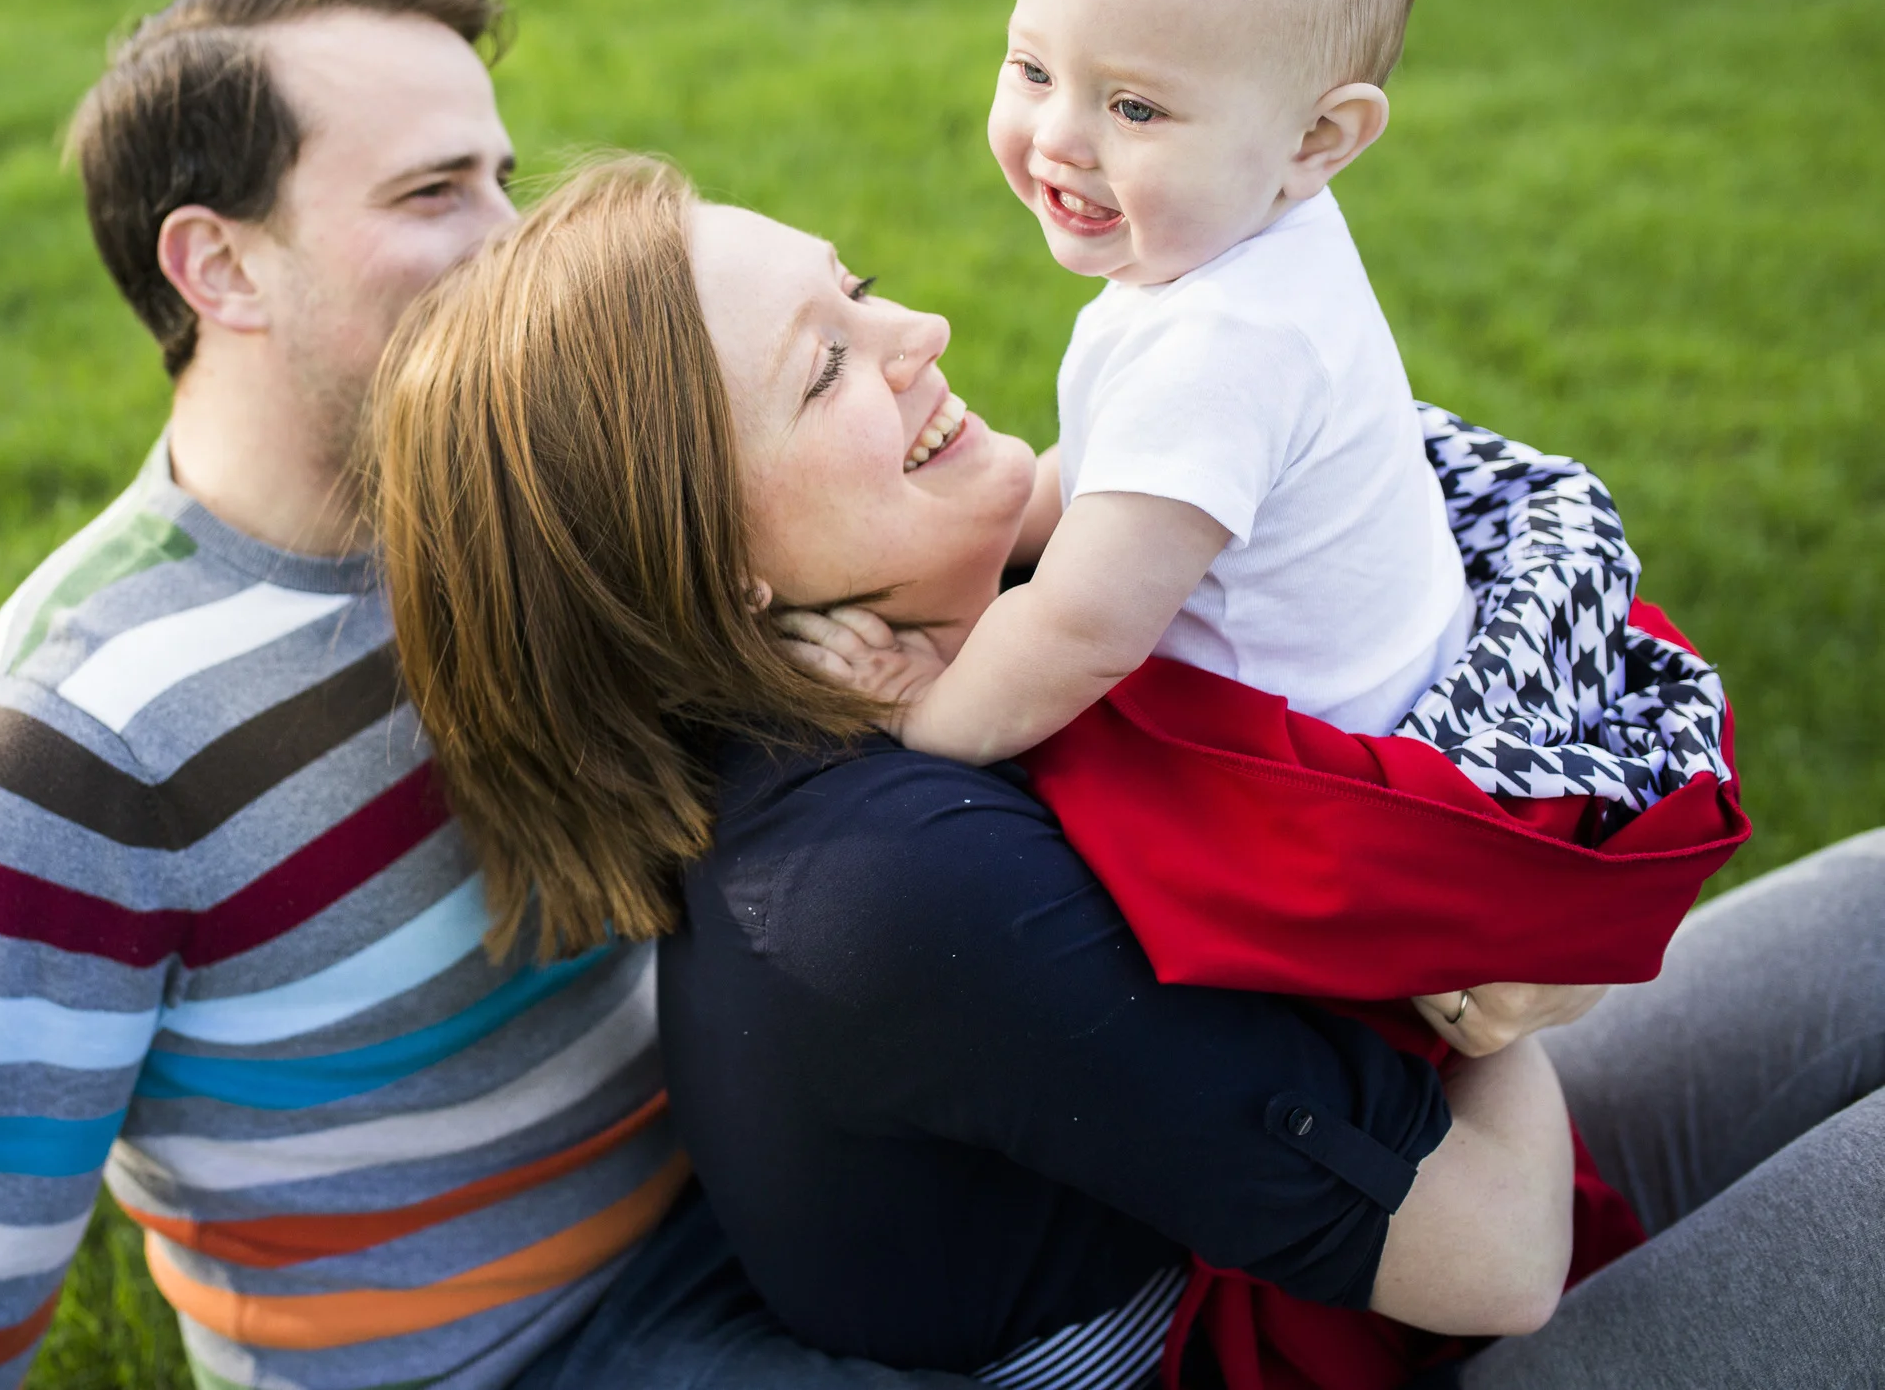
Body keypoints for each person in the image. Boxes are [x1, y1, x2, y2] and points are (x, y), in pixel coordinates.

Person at [368, 155, 1885, 1389]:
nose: (922, 340)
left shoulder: (959, 650)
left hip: (1357, 1213)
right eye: (828, 369)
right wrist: (1491, 955)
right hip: (1355, 1328)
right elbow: (1498, 1254)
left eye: (862, 291)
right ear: (708, 563)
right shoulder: (883, 879)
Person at [0, 0, 969, 1390]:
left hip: (779, 1185)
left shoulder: (536, 515)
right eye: (433, 193)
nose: (513, 241)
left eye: (501, 174)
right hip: (508, 1353)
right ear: (218, 265)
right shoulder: (49, 765)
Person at [801, 0, 1473, 767]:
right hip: (1384, 666)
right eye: (1032, 69)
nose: (1057, 139)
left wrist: (919, 714)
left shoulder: (1224, 347)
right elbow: (1125, 461)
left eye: (1135, 108)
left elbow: (1080, 632)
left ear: (1317, 136)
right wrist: (1010, 520)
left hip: (1317, 783)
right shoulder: (1247, 230)